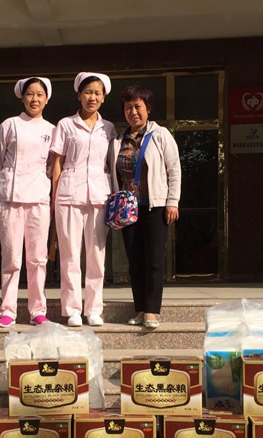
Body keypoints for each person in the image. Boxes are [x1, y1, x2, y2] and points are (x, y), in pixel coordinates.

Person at [107, 85, 181, 330]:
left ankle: (151, 310)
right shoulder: (118, 140)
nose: (133, 112)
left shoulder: (160, 135)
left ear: (148, 109)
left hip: (155, 206)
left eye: (138, 106)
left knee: (154, 260)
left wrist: (172, 202)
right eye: (128, 107)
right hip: (127, 209)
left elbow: (174, 170)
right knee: (135, 261)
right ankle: (139, 308)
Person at [51, 72, 117, 327]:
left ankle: (94, 309)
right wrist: (54, 196)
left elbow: (111, 164)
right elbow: (57, 162)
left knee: (97, 256)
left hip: (99, 196)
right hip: (69, 195)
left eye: (97, 93)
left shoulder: (108, 128)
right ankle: (72, 309)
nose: (93, 97)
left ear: (103, 98)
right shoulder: (65, 125)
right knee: (70, 255)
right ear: (79, 95)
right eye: (88, 92)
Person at [0, 76, 55, 327]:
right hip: (11, 199)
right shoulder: (9, 125)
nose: (34, 99)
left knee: (38, 259)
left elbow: (51, 166)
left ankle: (37, 310)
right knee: (11, 258)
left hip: (38, 198)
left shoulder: (52, 130)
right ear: (22, 97)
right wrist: (10, 180)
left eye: (39, 95)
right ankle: (8, 310)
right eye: (30, 94)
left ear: (47, 99)